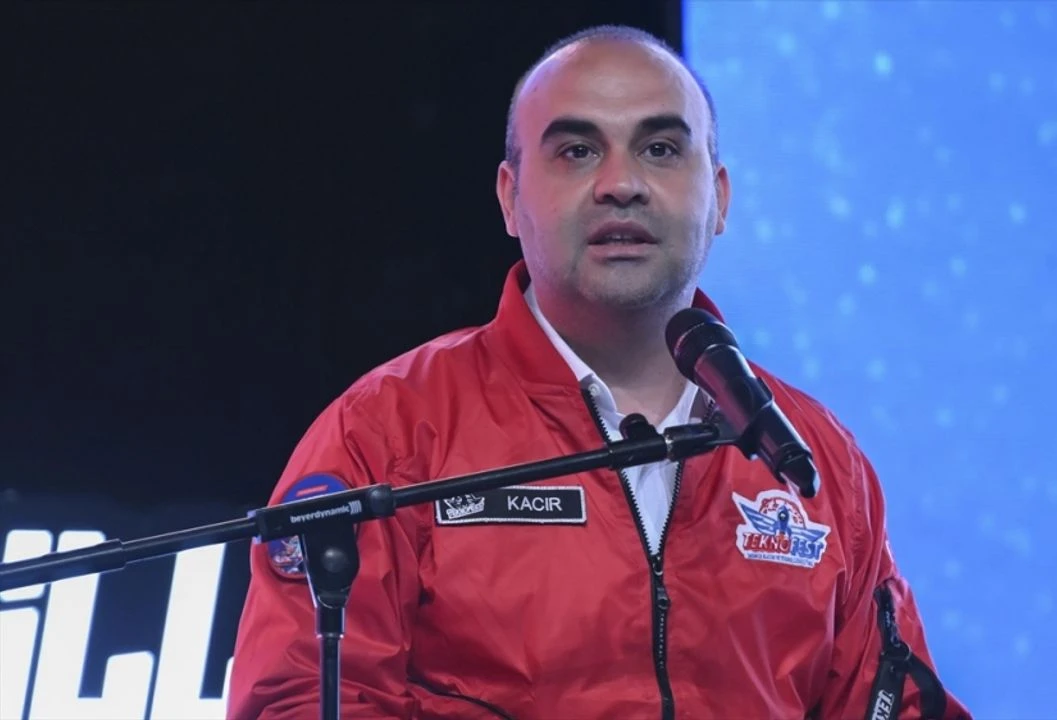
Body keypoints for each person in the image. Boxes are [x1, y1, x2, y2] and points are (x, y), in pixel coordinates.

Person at [227, 24, 970, 719]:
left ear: (719, 199)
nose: (621, 183)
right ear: (510, 199)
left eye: (661, 149)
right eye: (578, 151)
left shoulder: (816, 458)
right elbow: (300, 700)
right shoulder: (387, 433)